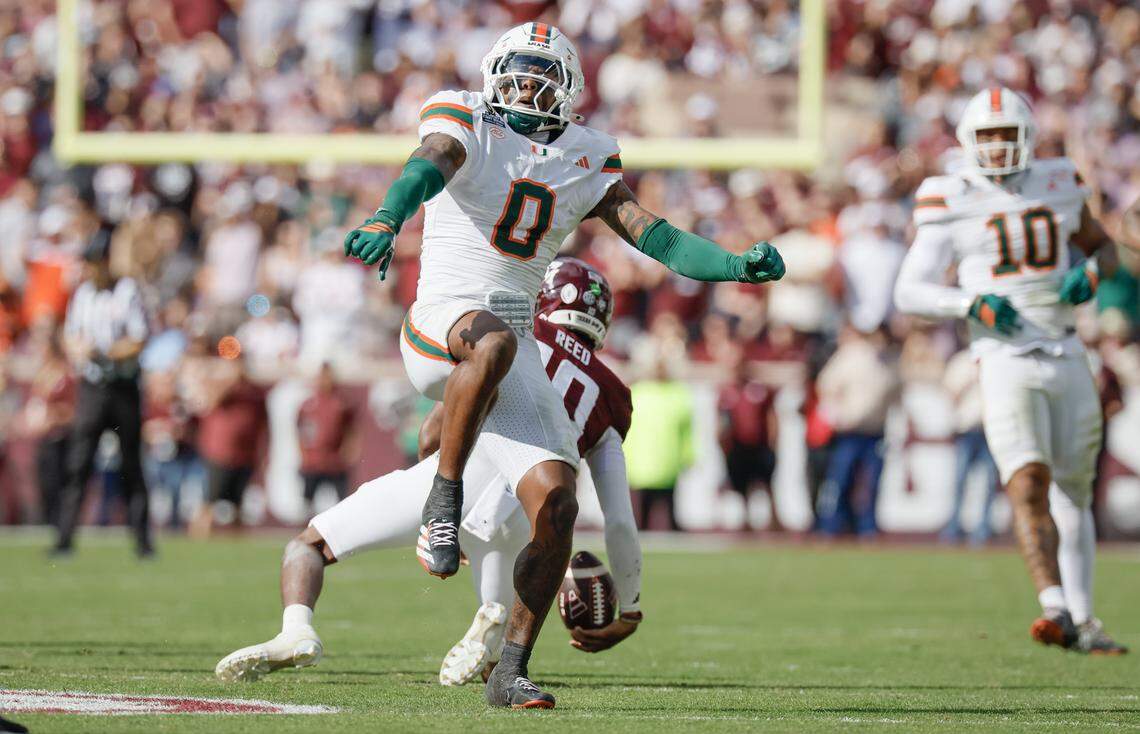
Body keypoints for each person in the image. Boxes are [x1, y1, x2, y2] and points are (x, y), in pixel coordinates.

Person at [340, 23, 784, 707]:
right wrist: (385, 217)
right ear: (493, 75)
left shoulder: (586, 156)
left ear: (569, 92)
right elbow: (425, 165)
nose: (528, 88)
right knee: (492, 343)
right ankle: (444, 499)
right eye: (518, 74)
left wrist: (731, 267)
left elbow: (654, 234)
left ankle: (510, 668)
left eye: (543, 78)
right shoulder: (466, 120)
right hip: (441, 322)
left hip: (512, 338)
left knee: (556, 504)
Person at [216, 259, 644, 691]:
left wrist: (438, 512)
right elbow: (620, 522)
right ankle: (496, 644)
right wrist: (629, 610)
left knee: (310, 545)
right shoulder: (613, 395)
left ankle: (296, 630)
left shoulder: (522, 336)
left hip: (469, 476)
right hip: (530, 513)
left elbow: (432, 431)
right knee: (499, 630)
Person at [894, 87, 1127, 654]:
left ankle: (1084, 620)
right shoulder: (948, 196)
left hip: (1068, 350)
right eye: (987, 137)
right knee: (1027, 480)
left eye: (1006, 135)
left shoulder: (1059, 181)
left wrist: (1093, 274)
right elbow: (909, 290)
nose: (997, 148)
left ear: (1026, 138)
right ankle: (1054, 606)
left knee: (1075, 490)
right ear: (967, 143)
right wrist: (967, 304)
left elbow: (1105, 248)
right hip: (1002, 357)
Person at [53, 229, 153, 557]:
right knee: (78, 463)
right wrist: (78, 349)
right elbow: (70, 335)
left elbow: (138, 339)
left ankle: (142, 541)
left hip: (122, 387)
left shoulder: (126, 291)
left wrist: (105, 352)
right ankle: (64, 538)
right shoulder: (82, 294)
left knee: (131, 464)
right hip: (93, 388)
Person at [814, 325, 899, 537]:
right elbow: (826, 385)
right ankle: (834, 524)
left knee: (872, 481)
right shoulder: (851, 356)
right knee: (841, 478)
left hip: (875, 431)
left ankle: (866, 526)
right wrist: (837, 415)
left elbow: (894, 394)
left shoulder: (888, 361)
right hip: (850, 431)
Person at [716, 346, 780, 531]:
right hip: (738, 446)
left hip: (759, 444)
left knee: (766, 482)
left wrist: (773, 440)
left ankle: (774, 520)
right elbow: (721, 420)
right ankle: (746, 521)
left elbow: (770, 415)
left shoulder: (758, 389)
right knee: (741, 484)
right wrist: (722, 443)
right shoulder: (726, 392)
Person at [940, 347, 1000, 544]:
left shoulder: (996, 357)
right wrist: (971, 379)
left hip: (991, 429)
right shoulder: (960, 361)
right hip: (966, 429)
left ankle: (983, 527)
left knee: (989, 482)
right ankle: (954, 525)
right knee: (959, 480)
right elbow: (950, 393)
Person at [297, 362, 357, 514]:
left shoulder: (342, 403)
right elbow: (300, 431)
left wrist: (349, 451)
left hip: (335, 461)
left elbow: (352, 430)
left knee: (343, 503)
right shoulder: (308, 404)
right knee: (307, 504)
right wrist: (304, 454)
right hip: (313, 461)